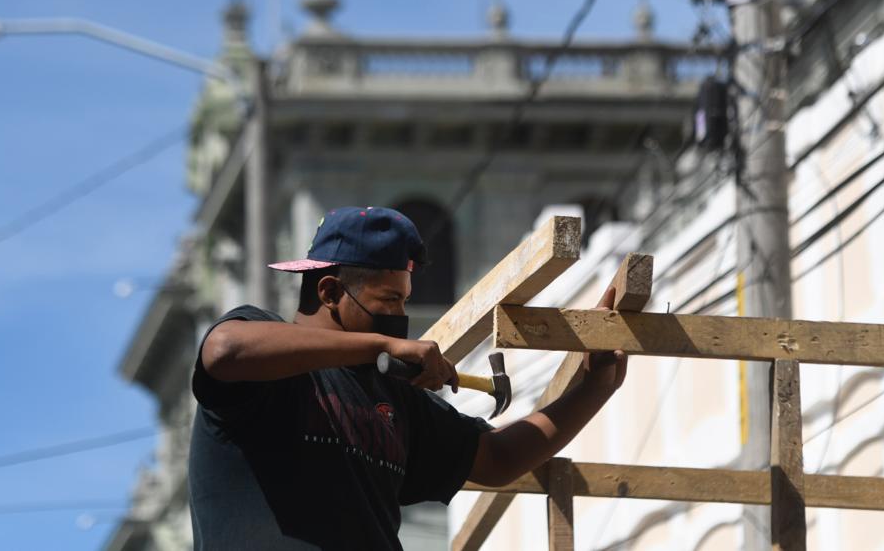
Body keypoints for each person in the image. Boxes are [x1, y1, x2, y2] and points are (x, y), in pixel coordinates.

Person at [189, 206, 626, 550]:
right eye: (390, 300)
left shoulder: (395, 399)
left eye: (405, 301)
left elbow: (499, 459)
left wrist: (596, 386)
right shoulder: (265, 360)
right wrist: (382, 346)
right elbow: (225, 350)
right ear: (331, 293)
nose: (400, 317)